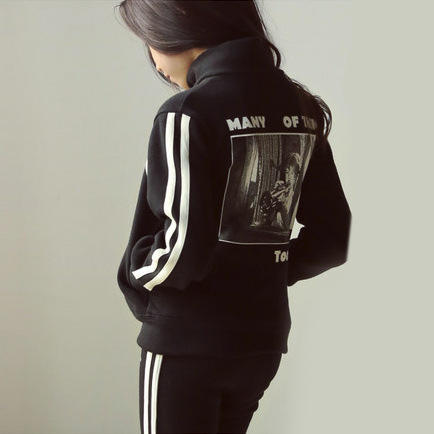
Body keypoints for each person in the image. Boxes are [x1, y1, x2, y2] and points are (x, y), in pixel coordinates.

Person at [115, 1, 352, 433]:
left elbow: (180, 251)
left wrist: (135, 273)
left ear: (177, 24)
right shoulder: (302, 108)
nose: (153, 59)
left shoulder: (185, 114)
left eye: (148, 40)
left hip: (187, 340)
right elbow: (334, 237)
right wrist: (261, 269)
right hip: (261, 341)